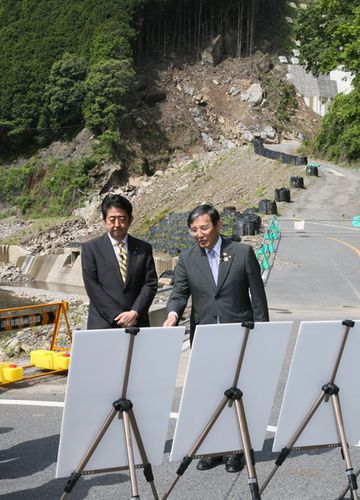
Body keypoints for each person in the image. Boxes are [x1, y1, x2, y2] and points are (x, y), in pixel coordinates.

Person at [163, 204, 269, 473]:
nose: (200, 234)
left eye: (204, 227)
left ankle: (236, 449)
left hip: (239, 332)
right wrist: (173, 315)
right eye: (194, 229)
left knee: (235, 392)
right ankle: (213, 448)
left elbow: (258, 299)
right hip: (206, 336)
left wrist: (263, 336)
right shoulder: (187, 259)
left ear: (219, 225)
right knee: (210, 394)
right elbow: (178, 293)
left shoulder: (242, 253)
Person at [81, 194, 158, 329]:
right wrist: (119, 316)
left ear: (130, 220)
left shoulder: (143, 248)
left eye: (122, 219)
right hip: (104, 323)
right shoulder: (91, 249)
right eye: (112, 219)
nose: (117, 225)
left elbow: (150, 284)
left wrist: (135, 312)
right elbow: (92, 287)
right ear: (104, 221)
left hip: (136, 322)